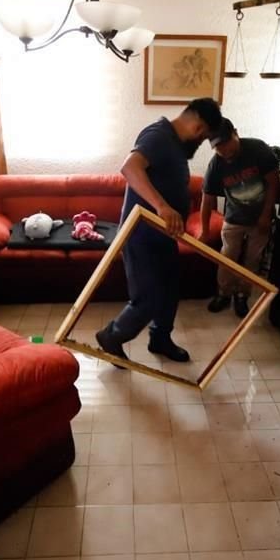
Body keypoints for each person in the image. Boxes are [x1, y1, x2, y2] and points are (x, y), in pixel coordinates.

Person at [96, 98, 223, 365]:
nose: (199, 142)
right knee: (149, 298)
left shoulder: (173, 144)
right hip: (142, 235)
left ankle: (160, 339)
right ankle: (112, 336)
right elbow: (130, 167)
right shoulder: (159, 135)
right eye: (202, 138)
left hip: (163, 235)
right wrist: (162, 207)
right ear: (198, 126)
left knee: (168, 291)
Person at [200, 118, 280, 317]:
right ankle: (224, 293)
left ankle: (242, 296)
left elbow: (273, 183)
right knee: (227, 256)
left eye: (227, 144)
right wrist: (204, 230)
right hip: (234, 217)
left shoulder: (258, 149)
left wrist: (265, 215)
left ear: (236, 133)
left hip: (260, 217)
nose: (224, 150)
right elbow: (207, 199)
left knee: (253, 259)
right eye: (218, 148)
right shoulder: (216, 164)